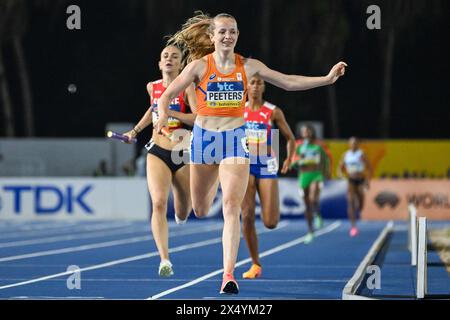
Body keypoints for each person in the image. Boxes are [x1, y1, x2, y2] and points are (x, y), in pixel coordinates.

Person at [154, 12, 347, 294]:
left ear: (237, 35)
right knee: (201, 209)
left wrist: (327, 79)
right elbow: (166, 95)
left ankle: (228, 275)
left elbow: (288, 81)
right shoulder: (198, 67)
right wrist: (161, 117)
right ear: (212, 36)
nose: (227, 36)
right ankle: (192, 190)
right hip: (205, 141)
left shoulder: (248, 66)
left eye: (232, 31)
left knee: (232, 208)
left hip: (234, 140)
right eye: (222, 32)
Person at [123, 45, 196, 277]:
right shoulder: (152, 87)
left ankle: (181, 213)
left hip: (182, 152)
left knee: (184, 210)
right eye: (165, 56)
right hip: (157, 151)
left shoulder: (188, 88)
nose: (169, 59)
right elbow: (152, 109)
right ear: (159, 63)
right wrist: (134, 131)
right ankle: (164, 259)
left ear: (180, 64)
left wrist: (170, 113)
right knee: (158, 204)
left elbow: (197, 117)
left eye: (174, 57)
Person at [241, 74, 296, 279]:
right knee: (246, 215)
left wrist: (289, 158)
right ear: (246, 86)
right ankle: (255, 264)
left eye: (259, 83)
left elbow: (290, 138)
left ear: (264, 86)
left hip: (266, 164)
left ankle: (269, 215)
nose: (255, 86)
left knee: (270, 222)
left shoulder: (273, 111)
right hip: (244, 164)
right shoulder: (239, 110)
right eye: (252, 83)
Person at [291, 124, 331, 244]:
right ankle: (310, 231)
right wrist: (296, 162)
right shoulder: (299, 145)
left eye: (308, 131)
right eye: (304, 131)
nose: (306, 133)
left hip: (316, 174)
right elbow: (293, 160)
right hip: (303, 176)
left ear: (312, 132)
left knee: (313, 199)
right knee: (307, 205)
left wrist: (326, 173)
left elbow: (325, 160)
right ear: (301, 134)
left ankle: (318, 215)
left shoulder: (318, 146)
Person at [338, 137, 372, 237]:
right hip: (350, 180)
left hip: (360, 180)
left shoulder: (361, 154)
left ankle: (360, 207)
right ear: (349, 144)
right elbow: (340, 168)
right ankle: (353, 226)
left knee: (361, 200)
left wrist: (367, 180)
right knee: (350, 201)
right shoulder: (346, 155)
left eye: (355, 143)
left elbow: (369, 167)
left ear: (358, 144)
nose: (353, 145)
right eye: (352, 143)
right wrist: (341, 175)